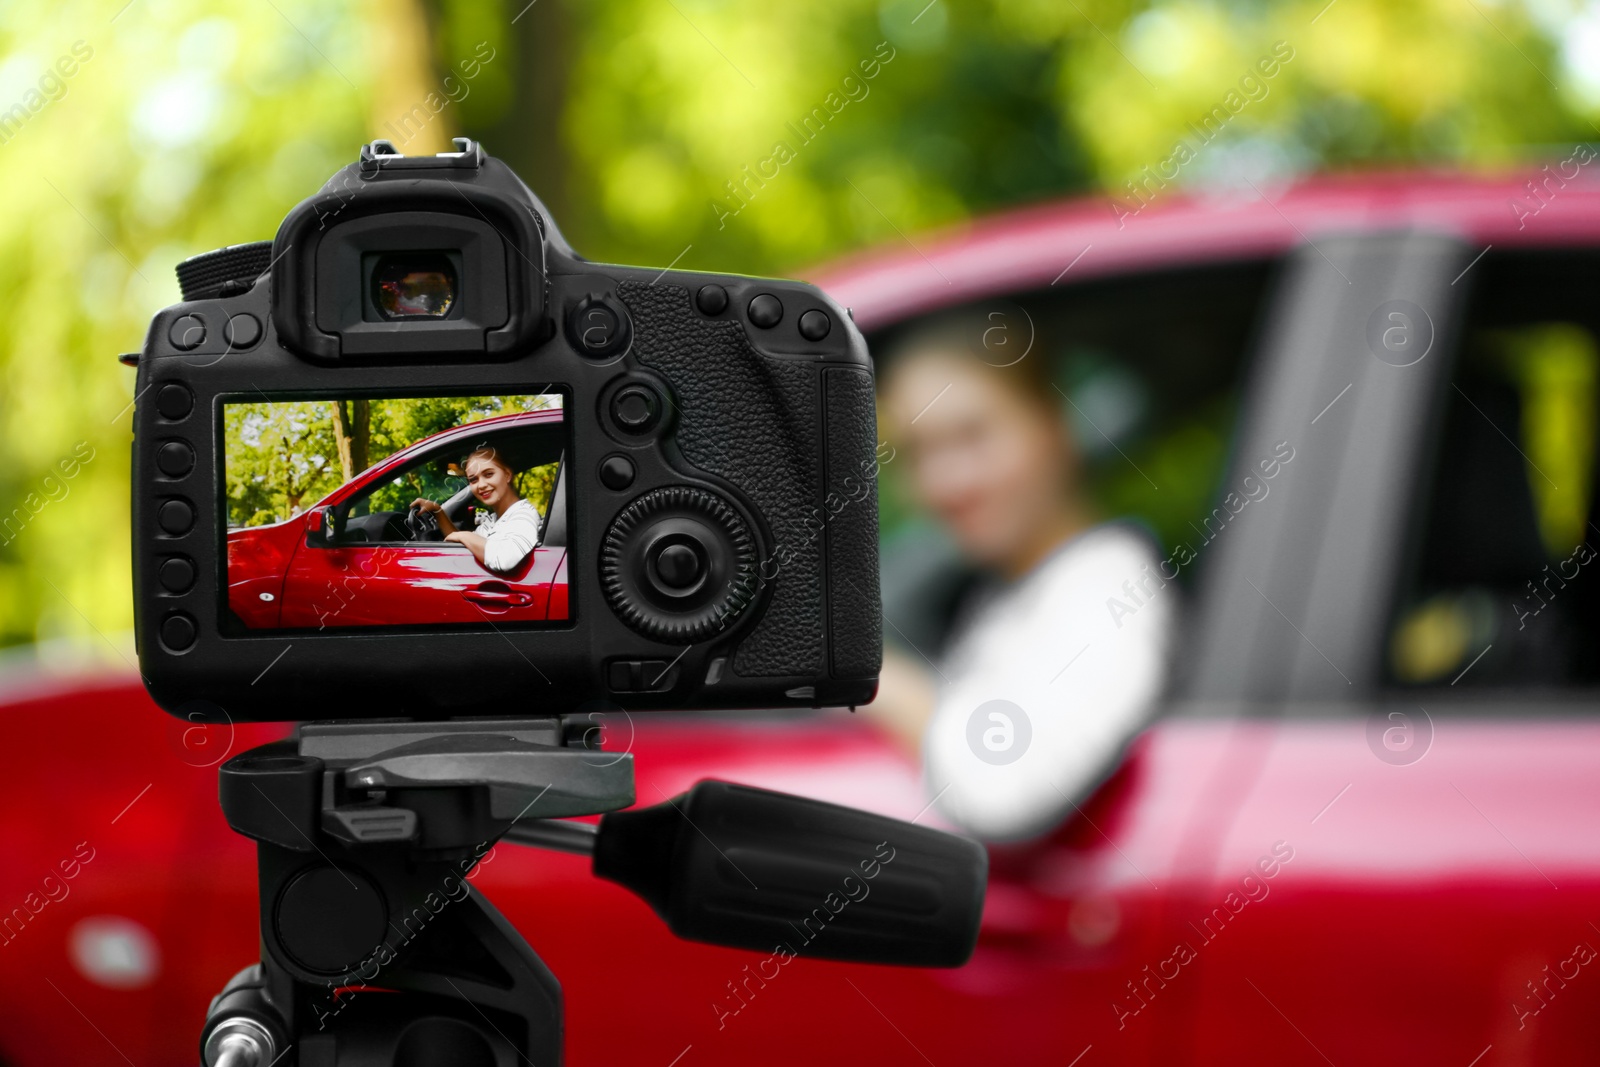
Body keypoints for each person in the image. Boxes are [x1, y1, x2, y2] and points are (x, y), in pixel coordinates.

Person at [868, 314, 1173, 843]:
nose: (943, 482)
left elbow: (1002, 792)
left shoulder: (1110, 591)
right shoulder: (1009, 587)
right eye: (916, 453)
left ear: (1056, 426)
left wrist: (875, 682)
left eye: (972, 436)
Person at [411, 444, 542, 573]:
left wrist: (463, 535)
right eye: (473, 480)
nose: (481, 485)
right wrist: (437, 511)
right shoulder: (493, 521)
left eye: (489, 474)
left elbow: (505, 560)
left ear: (507, 475)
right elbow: (465, 545)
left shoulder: (523, 514)